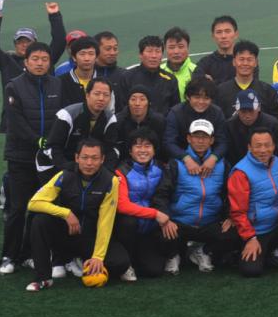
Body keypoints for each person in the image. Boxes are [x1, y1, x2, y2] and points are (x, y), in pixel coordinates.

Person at [24, 139, 130, 292]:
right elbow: (34, 202)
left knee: (120, 263)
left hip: (89, 237)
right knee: (40, 220)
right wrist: (66, 213)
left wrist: (98, 257)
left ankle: (80, 260)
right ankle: (43, 278)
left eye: (94, 158)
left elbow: (105, 221)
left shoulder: (110, 181)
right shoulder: (64, 176)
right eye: (85, 157)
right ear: (76, 158)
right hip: (65, 233)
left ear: (102, 160)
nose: (89, 163)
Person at [0, 41, 64, 274]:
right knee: (17, 208)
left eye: (44, 59)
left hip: (47, 160)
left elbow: (61, 117)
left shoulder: (57, 83)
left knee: (41, 208)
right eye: (35, 59)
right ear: (26, 62)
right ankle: (8, 256)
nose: (40, 63)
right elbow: (14, 121)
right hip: (20, 156)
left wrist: (52, 142)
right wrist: (36, 139)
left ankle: (29, 254)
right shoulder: (14, 86)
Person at [164, 118, 231, 274]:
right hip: (180, 221)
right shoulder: (176, 163)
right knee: (161, 232)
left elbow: (229, 192)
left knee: (233, 234)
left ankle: (203, 251)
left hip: (210, 221)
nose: (200, 141)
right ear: (189, 138)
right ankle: (174, 254)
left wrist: (229, 216)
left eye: (205, 137)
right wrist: (165, 217)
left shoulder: (222, 163)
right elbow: (163, 193)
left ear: (212, 140)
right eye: (196, 136)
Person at [226, 128, 278, 277]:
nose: (263, 150)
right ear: (249, 147)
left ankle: (275, 250)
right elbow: (238, 212)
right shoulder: (241, 172)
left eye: (267, 145)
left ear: (274, 146)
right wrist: (250, 238)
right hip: (257, 230)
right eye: (258, 145)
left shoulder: (277, 162)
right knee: (251, 271)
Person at [113, 130, 174, 279]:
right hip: (126, 229)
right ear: (130, 151)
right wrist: (156, 214)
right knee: (128, 221)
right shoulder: (120, 171)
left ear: (154, 150)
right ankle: (126, 263)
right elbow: (122, 205)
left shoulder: (162, 168)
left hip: (149, 230)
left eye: (147, 146)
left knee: (154, 271)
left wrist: (166, 216)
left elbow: (166, 195)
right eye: (138, 146)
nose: (142, 150)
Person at [0, 0, 65, 88]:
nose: (24, 45)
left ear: (35, 43)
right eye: (20, 42)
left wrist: (54, 16)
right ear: (15, 45)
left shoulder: (45, 59)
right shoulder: (7, 61)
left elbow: (59, 41)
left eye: (28, 41)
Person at [50, 80, 118, 171]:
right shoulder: (67, 115)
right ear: (87, 95)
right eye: (97, 94)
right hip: (55, 166)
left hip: (89, 168)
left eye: (106, 95)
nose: (101, 98)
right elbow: (52, 148)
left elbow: (111, 150)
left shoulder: (110, 118)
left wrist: (105, 171)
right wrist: (71, 168)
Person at [163, 77, 227, 164]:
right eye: (197, 97)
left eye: (206, 98)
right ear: (188, 97)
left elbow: (223, 141)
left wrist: (214, 157)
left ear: (211, 99)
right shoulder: (176, 112)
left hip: (210, 159)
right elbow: (169, 142)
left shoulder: (217, 113)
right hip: (181, 159)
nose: (201, 102)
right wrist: (185, 157)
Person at [216, 40, 278, 118]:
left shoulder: (268, 92)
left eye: (249, 59)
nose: (245, 63)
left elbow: (277, 120)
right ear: (234, 62)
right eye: (241, 59)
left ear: (256, 63)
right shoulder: (220, 91)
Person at [120, 35, 181, 116]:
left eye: (158, 51)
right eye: (149, 51)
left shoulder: (170, 80)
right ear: (140, 55)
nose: (154, 56)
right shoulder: (127, 77)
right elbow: (122, 108)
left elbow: (175, 111)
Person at [223, 90, 278, 169]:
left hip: (267, 168)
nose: (247, 115)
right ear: (237, 110)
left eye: (251, 111)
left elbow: (277, 151)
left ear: (259, 108)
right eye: (243, 111)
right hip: (238, 169)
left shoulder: (273, 125)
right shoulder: (229, 126)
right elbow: (228, 155)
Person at [195, 15, 240, 86]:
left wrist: (213, 83)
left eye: (227, 31)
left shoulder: (244, 61)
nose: (223, 36)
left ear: (236, 34)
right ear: (213, 36)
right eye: (219, 32)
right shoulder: (204, 63)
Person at [162, 27, 197, 100]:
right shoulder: (159, 71)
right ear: (165, 49)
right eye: (171, 47)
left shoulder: (196, 71)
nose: (176, 51)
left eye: (181, 47)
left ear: (188, 48)